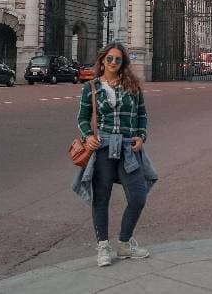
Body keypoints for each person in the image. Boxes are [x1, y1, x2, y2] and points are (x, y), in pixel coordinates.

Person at [78, 42, 151, 267]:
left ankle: (124, 242)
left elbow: (142, 115)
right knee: (101, 198)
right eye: (109, 59)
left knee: (138, 195)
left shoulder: (133, 86)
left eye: (118, 60)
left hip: (128, 147)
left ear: (123, 63)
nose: (113, 63)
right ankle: (102, 246)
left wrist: (141, 136)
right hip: (102, 147)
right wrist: (88, 135)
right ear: (102, 61)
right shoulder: (91, 87)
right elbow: (82, 118)